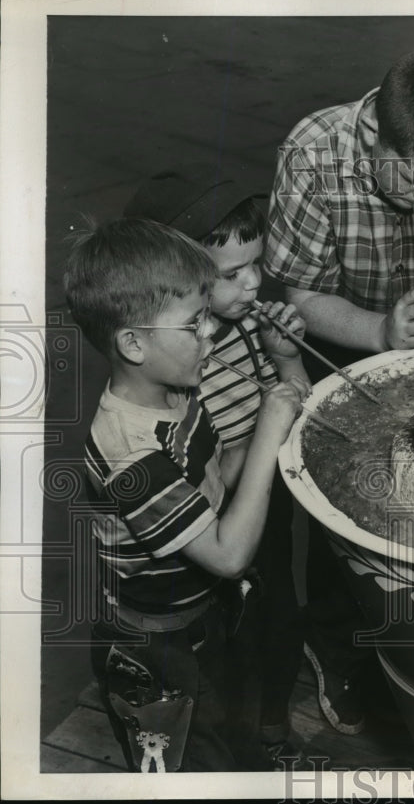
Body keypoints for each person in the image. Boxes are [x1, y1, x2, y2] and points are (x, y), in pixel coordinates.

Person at [263, 47, 414, 734]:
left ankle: (407, 630)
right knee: (350, 499)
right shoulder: (314, 151)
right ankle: (332, 642)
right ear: (381, 139)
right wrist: (379, 332)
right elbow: (301, 294)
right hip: (340, 329)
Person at [64, 218, 304, 771]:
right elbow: (228, 554)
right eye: (193, 325)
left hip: (203, 616)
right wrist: (268, 430)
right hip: (157, 646)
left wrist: (271, 430)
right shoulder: (130, 454)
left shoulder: (177, 395)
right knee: (187, 763)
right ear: (133, 344)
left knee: (231, 730)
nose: (210, 334)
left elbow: (215, 472)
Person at [124, 164, 313, 763]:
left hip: (264, 494)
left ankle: (273, 727)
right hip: (212, 512)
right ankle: (236, 740)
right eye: (232, 275)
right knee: (230, 633)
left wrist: (285, 360)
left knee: (278, 608)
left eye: (257, 266)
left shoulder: (247, 324)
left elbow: (297, 405)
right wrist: (265, 427)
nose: (254, 286)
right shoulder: (176, 355)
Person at [265, 46, 414, 364]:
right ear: (370, 128)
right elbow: (304, 296)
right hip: (338, 341)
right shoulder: (309, 155)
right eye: (411, 179)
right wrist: (380, 331)